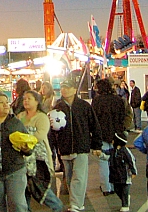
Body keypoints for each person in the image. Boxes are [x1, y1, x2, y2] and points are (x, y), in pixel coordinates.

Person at [50, 79, 102, 212]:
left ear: (74, 90)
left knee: (79, 177)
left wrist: (96, 145)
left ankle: (76, 204)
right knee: (69, 176)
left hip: (81, 147)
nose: (64, 90)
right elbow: (52, 130)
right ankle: (76, 202)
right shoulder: (57, 108)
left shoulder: (84, 106)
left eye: (67, 87)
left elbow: (94, 126)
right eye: (62, 87)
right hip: (65, 147)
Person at [16, 91, 62, 212]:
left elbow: (39, 136)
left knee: (41, 189)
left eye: (29, 99)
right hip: (21, 160)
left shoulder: (42, 117)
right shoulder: (20, 116)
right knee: (23, 192)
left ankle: (58, 207)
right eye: (24, 98)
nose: (25, 101)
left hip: (38, 161)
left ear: (37, 101)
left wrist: (22, 141)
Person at [90, 78, 131, 197]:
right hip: (116, 134)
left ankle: (106, 187)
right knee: (115, 161)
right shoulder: (118, 100)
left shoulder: (96, 101)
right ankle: (115, 184)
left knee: (103, 160)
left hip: (101, 134)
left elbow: (94, 119)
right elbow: (122, 117)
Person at [107, 131, 137, 212]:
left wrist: (133, 171)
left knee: (124, 189)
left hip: (125, 175)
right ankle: (125, 198)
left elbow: (131, 160)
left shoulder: (125, 151)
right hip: (115, 174)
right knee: (117, 189)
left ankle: (125, 204)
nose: (112, 141)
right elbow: (107, 153)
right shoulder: (113, 151)